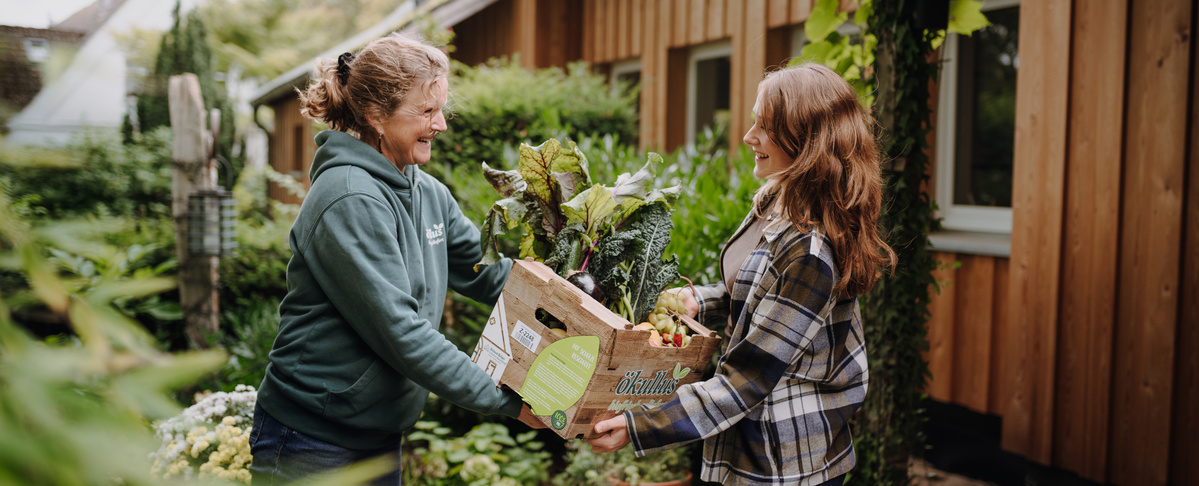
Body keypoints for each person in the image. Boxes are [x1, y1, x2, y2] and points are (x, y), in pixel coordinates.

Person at [248, 33, 543, 485]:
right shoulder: (348, 198)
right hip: (312, 438)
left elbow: (490, 277)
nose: (441, 124)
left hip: (379, 433)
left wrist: (579, 304)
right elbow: (402, 334)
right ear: (375, 117)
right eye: (426, 111)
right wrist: (510, 401)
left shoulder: (426, 191)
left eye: (440, 108)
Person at [586, 63, 897, 486]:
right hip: (746, 436)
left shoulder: (811, 252)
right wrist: (702, 301)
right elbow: (759, 296)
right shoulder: (777, 197)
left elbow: (748, 378)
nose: (749, 136)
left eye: (765, 127)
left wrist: (639, 425)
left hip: (781, 457)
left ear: (808, 140)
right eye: (754, 120)